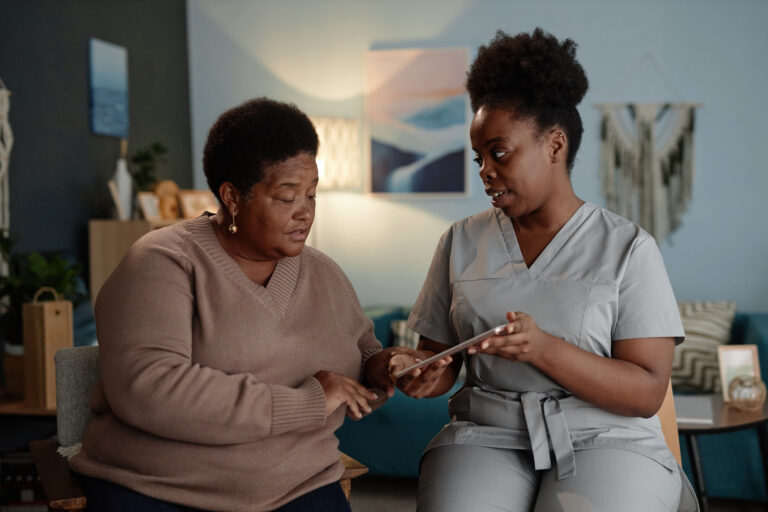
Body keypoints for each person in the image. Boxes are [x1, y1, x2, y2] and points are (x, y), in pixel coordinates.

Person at [392, 29, 698, 512]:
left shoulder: (628, 248)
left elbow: (645, 392)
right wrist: (424, 374)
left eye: (500, 152)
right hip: (488, 435)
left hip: (606, 437)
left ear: (555, 145)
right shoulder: (459, 240)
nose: (485, 171)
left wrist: (544, 349)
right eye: (479, 158)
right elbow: (439, 358)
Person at [69, 97, 409, 511]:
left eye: (312, 195)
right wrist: (308, 402)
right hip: (162, 490)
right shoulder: (162, 261)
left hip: (300, 486)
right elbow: (150, 389)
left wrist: (384, 368)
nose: (305, 213)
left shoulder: (326, 273)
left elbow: (358, 359)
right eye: (287, 198)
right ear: (232, 196)